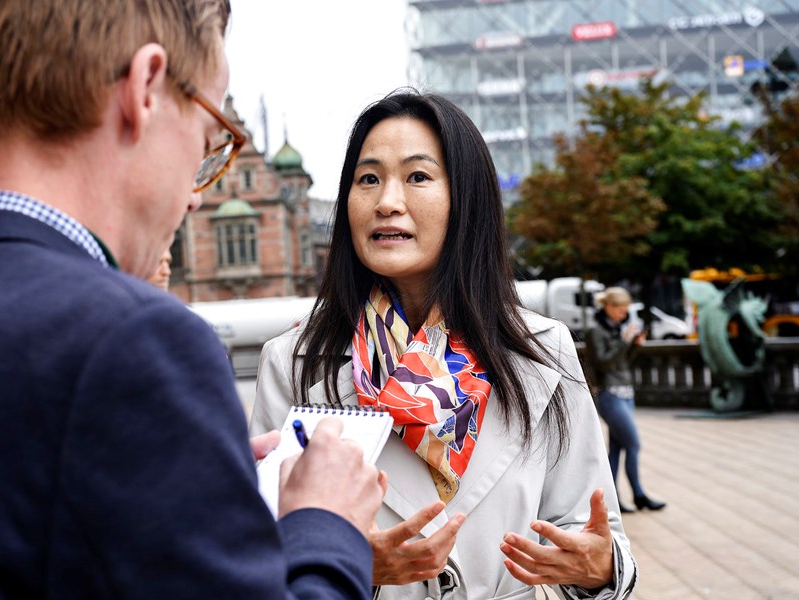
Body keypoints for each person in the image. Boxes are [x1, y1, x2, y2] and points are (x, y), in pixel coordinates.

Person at [0, 1, 385, 598]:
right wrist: (326, 525)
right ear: (145, 86)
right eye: (208, 138)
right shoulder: (139, 343)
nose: (196, 197)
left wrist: (191, 477)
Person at [249, 90, 638, 600]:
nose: (387, 201)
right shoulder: (293, 361)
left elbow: (596, 535)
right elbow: (257, 554)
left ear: (466, 200)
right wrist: (354, 566)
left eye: (417, 177)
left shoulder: (544, 351)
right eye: (368, 179)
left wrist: (600, 569)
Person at [586, 287, 666, 513]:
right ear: (609, 307)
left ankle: (611, 500)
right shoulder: (595, 331)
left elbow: (622, 363)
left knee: (617, 448)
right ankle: (639, 494)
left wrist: (633, 346)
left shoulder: (616, 329)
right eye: (621, 310)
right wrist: (623, 341)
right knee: (633, 443)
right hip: (610, 394)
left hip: (626, 393)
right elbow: (603, 363)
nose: (624, 315)